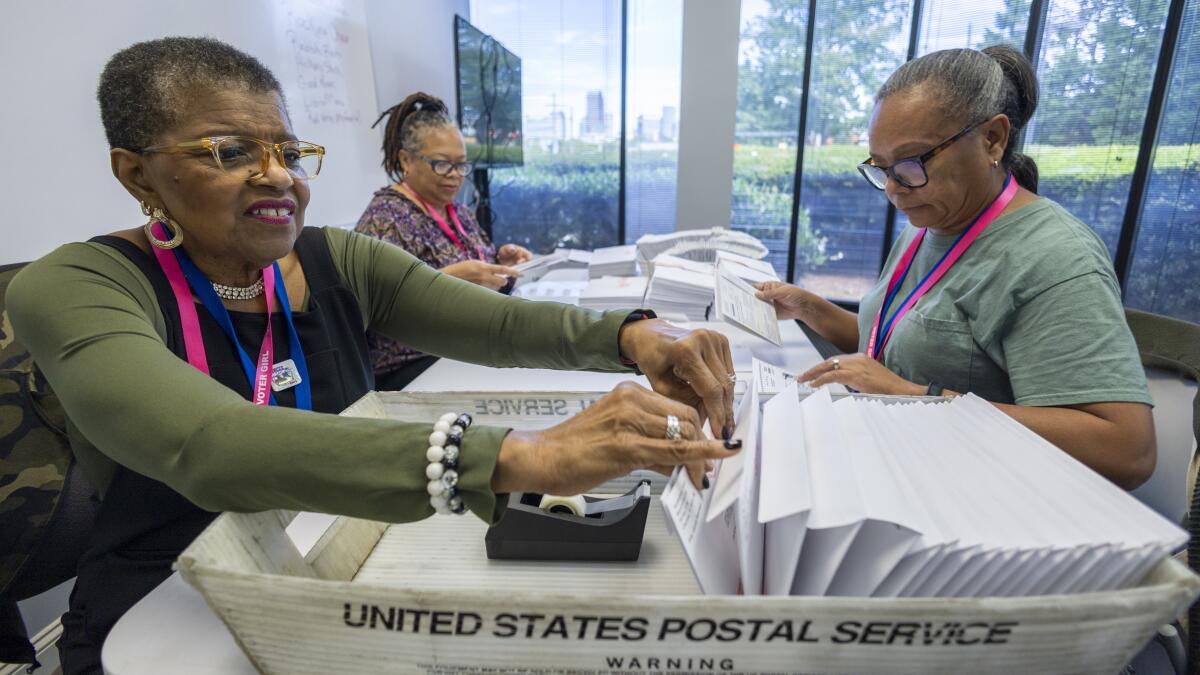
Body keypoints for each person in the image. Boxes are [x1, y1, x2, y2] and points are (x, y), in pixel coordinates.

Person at [4, 38, 740, 674]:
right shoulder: (74, 286)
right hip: (168, 615)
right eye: (230, 152)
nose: (278, 176)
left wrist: (633, 336)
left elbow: (498, 326)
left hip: (332, 571)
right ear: (137, 174)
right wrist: (520, 455)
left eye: (288, 151)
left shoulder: (338, 259)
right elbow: (210, 443)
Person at [754, 45, 1155, 490]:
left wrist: (913, 398)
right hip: (903, 465)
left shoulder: (1054, 257)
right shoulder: (929, 222)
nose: (893, 187)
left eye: (912, 162)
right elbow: (901, 346)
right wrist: (813, 309)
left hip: (982, 497)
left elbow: (1127, 451)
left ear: (992, 139)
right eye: (881, 167)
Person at [356, 93, 533, 389]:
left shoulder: (458, 211)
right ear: (405, 160)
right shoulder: (387, 216)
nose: (454, 176)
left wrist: (500, 261)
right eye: (441, 164)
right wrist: (447, 282)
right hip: (413, 366)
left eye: (461, 165)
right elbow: (372, 305)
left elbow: (479, 264)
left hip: (464, 348)